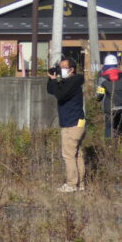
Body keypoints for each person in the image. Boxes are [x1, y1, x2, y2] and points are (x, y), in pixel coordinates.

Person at [48, 57, 86, 193]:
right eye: (60, 67)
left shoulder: (73, 82)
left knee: (68, 155)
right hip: (78, 123)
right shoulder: (72, 82)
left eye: (63, 67)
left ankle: (71, 184)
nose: (61, 70)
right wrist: (52, 78)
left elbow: (60, 94)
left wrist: (56, 81)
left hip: (72, 124)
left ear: (72, 69)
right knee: (77, 154)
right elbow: (51, 90)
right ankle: (80, 184)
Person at [95, 54, 122, 139]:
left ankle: (109, 147)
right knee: (120, 128)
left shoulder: (102, 79)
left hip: (109, 108)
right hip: (121, 107)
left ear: (105, 66)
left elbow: (99, 96)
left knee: (109, 129)